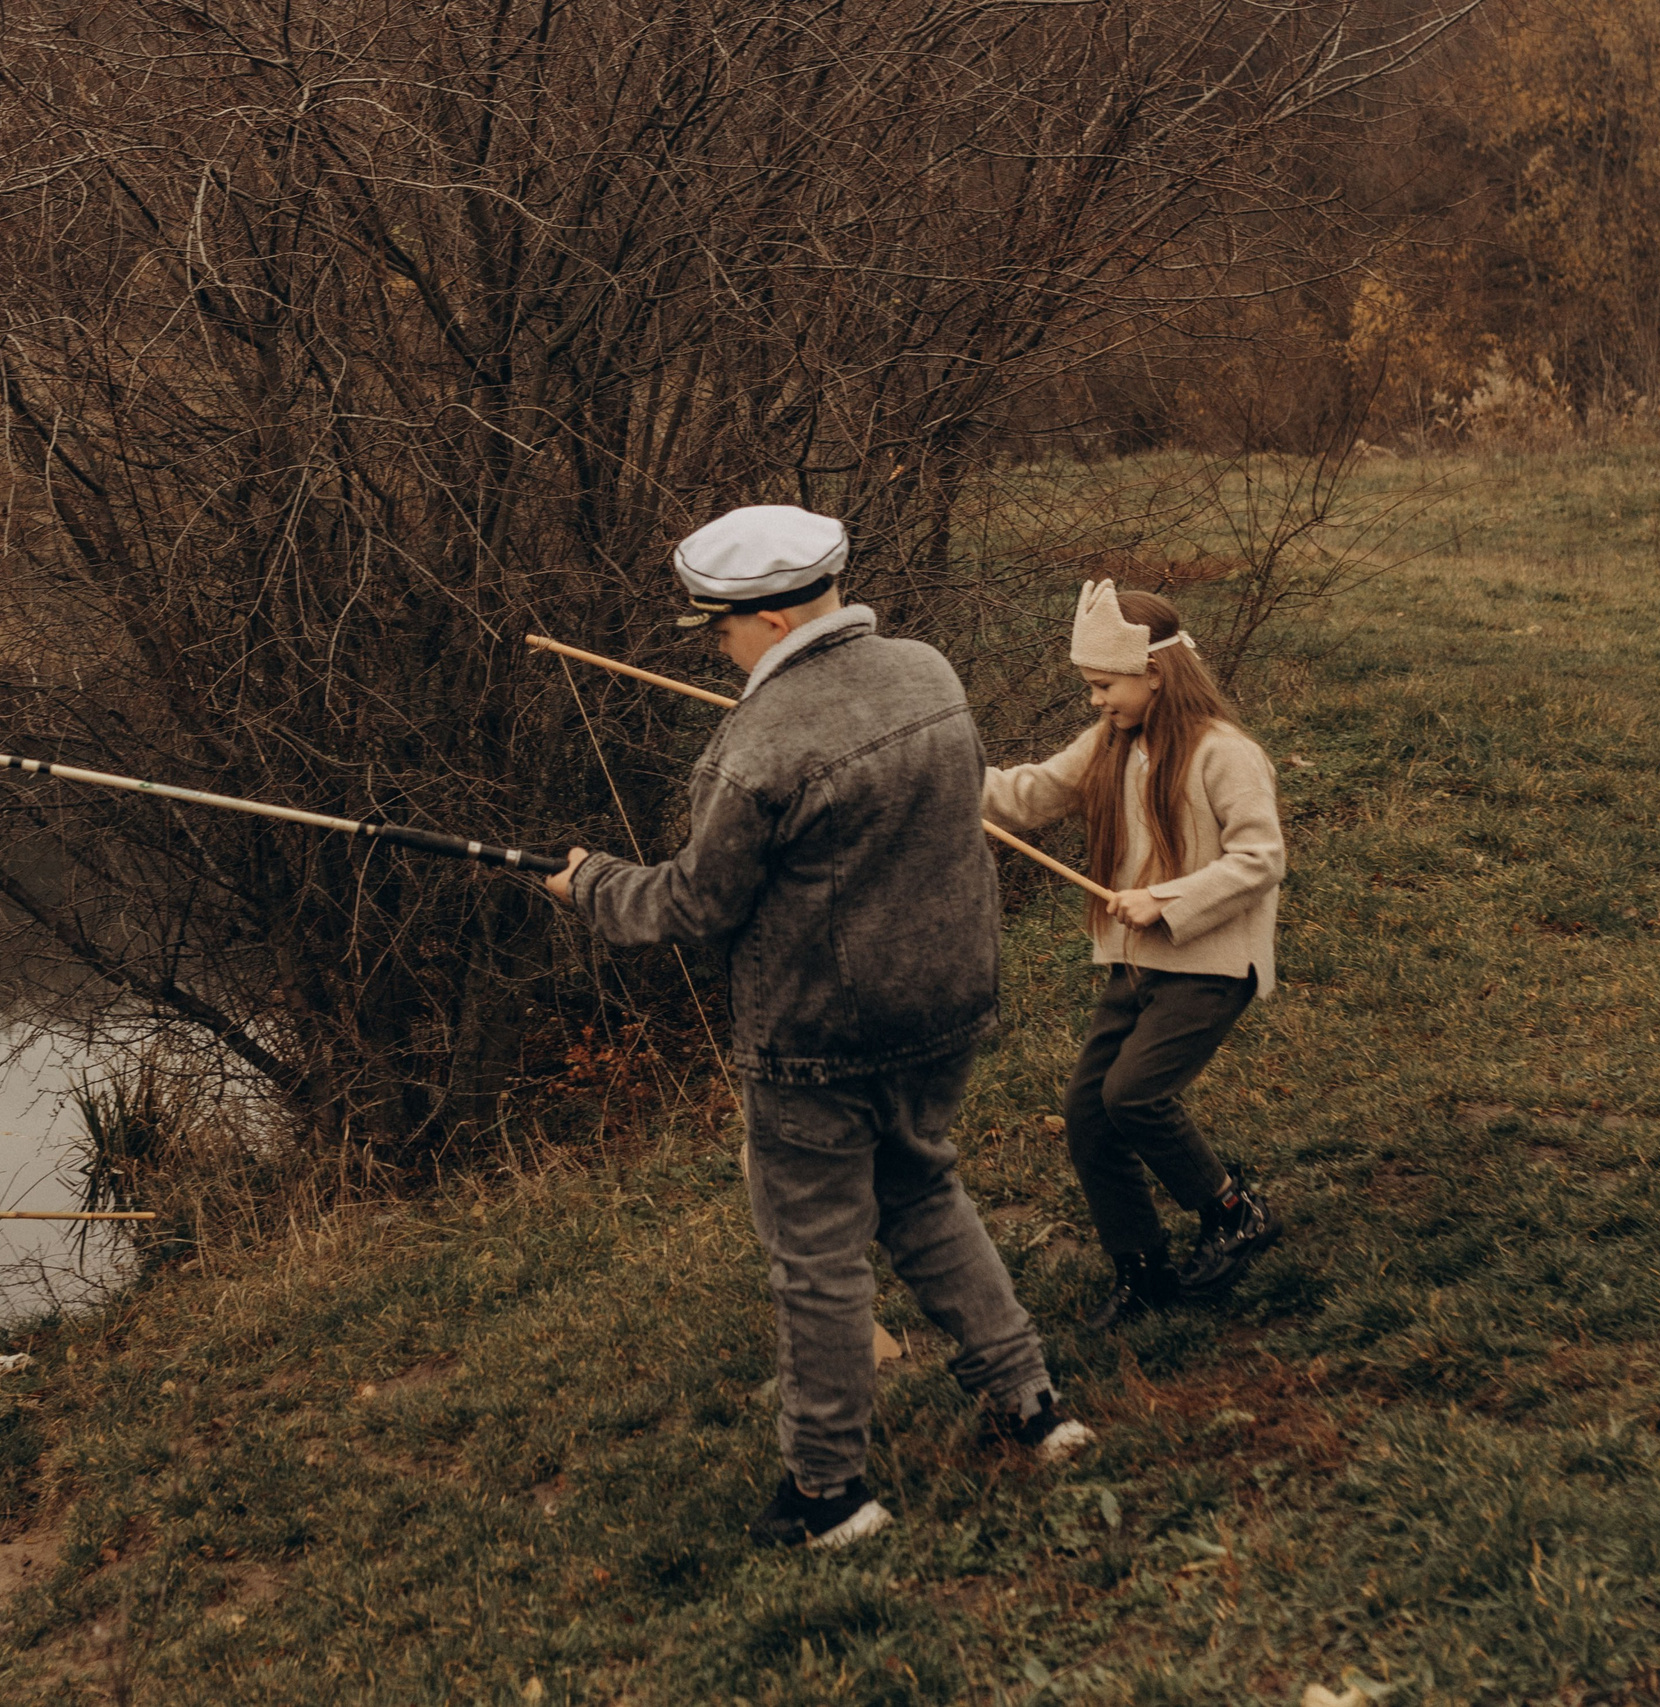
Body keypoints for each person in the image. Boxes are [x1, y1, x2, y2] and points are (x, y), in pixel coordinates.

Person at [546, 504, 1090, 1551]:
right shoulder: (929, 674)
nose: (717, 644)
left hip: (818, 1041)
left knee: (818, 1259)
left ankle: (828, 1493)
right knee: (921, 1187)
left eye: (719, 627)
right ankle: (1032, 1407)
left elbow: (691, 907)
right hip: (947, 1004)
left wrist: (590, 884)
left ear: (767, 616)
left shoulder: (750, 750)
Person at [981, 581, 1285, 1332]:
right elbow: (1030, 793)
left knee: (1135, 1096)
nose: (1094, 701)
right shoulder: (1111, 747)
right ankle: (1142, 1266)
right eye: (1090, 686)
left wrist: (1168, 898)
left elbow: (1261, 857)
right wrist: (932, 774)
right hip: (1136, 966)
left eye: (1103, 685)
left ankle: (1232, 1210)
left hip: (1211, 964)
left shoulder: (1226, 753)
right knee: (1089, 1114)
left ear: (1155, 673)